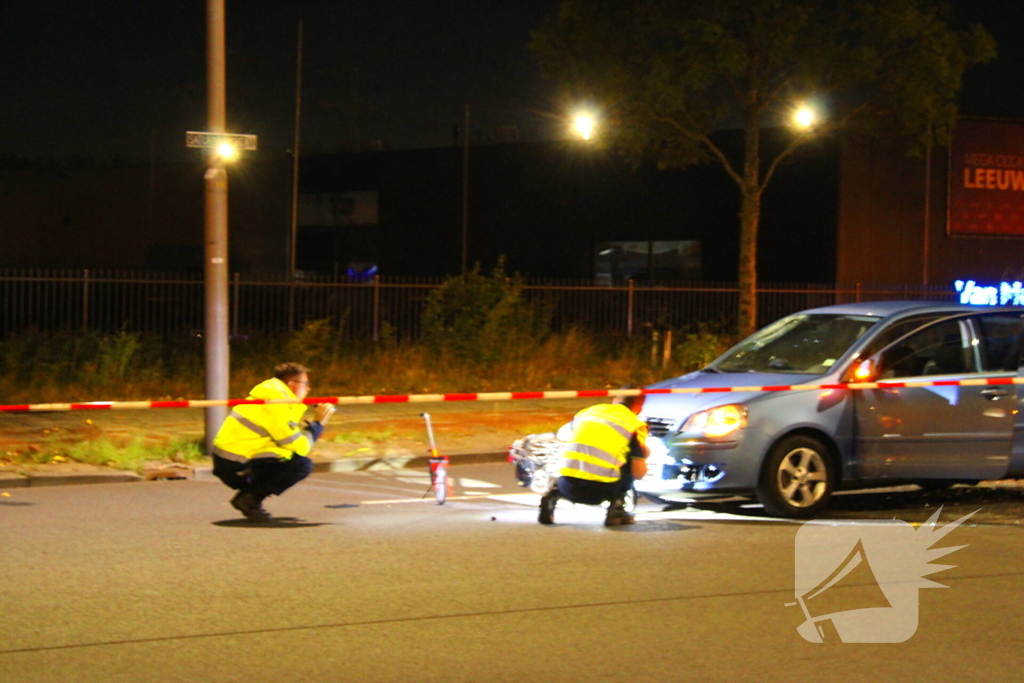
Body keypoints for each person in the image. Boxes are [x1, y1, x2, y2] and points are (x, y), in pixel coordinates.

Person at [212, 362, 335, 522]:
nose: (308, 389)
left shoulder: (272, 397)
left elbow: (286, 437)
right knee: (300, 465)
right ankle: (249, 499)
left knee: (289, 457)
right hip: (236, 466)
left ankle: (250, 494)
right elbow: (299, 447)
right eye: (306, 384)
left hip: (232, 459)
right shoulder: (276, 404)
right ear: (291, 384)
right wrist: (318, 424)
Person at [539, 390, 649, 527]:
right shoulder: (635, 425)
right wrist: (643, 454)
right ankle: (616, 509)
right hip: (601, 492)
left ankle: (553, 495)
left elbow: (562, 435)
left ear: (616, 399)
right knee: (631, 460)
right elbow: (638, 473)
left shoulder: (588, 412)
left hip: (567, 486)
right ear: (639, 407)